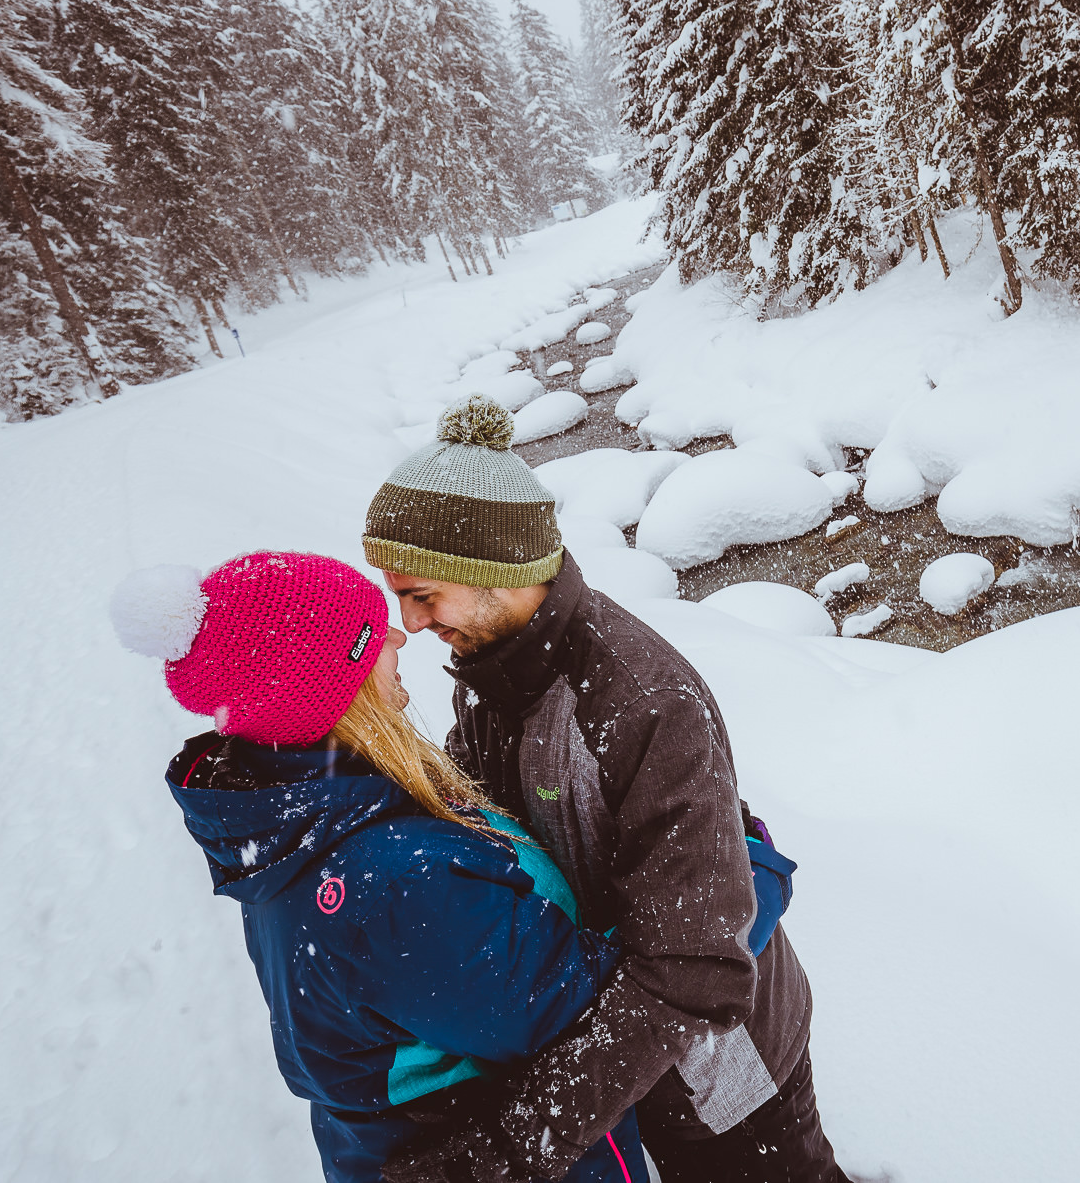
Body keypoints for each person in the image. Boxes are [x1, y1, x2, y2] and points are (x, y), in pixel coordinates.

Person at [363, 396, 847, 1183]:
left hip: (726, 1069)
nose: (410, 623)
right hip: (632, 1058)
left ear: (493, 571)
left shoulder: (641, 702)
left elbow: (694, 969)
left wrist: (513, 1145)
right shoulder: (493, 671)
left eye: (422, 594)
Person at [112, 550, 651, 1183]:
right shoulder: (394, 885)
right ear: (328, 694)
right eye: (370, 637)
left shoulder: (303, 820)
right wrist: (725, 872)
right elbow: (597, 1003)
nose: (398, 634)